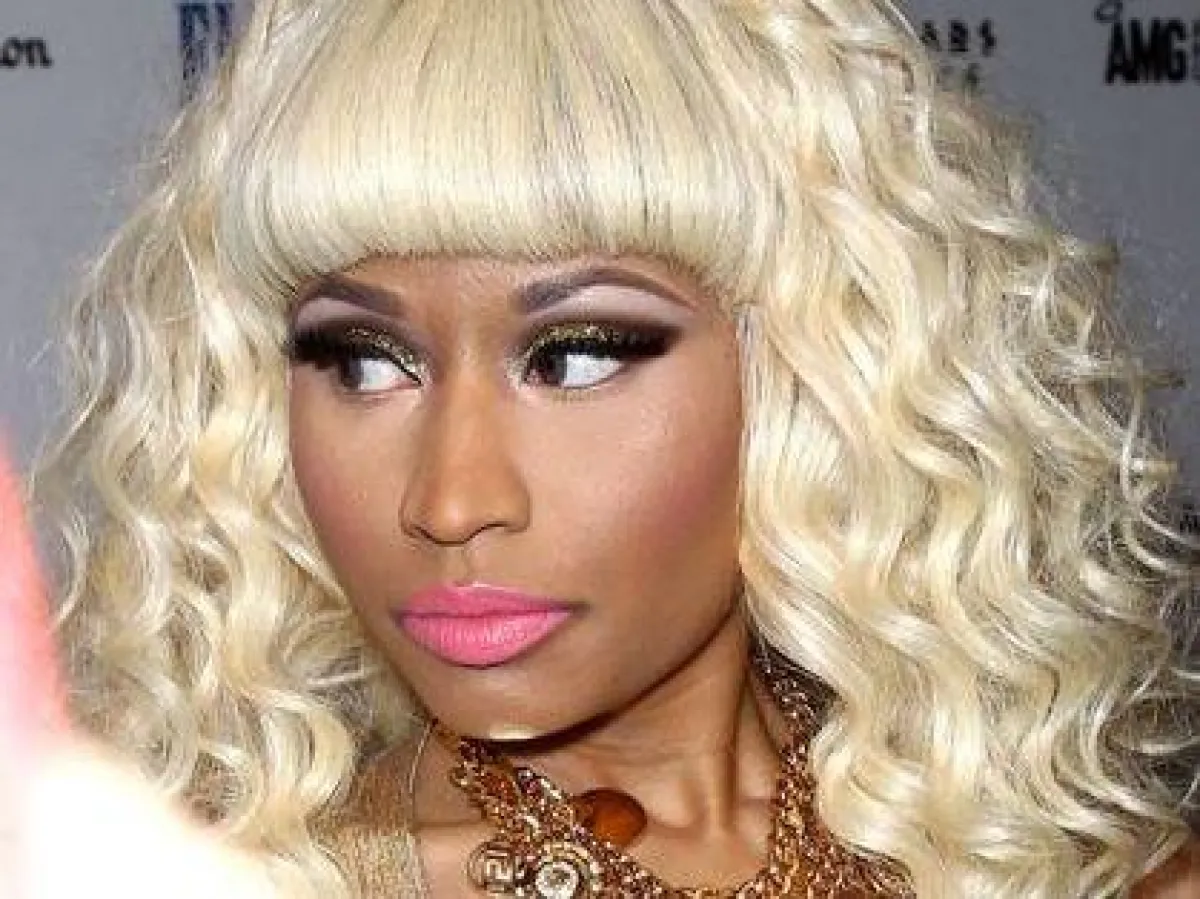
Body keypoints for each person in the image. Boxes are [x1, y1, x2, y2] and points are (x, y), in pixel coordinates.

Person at [24, 0, 1197, 896]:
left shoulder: (1082, 871)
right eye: (366, 362)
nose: (451, 498)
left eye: (576, 355)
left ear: (812, 367)